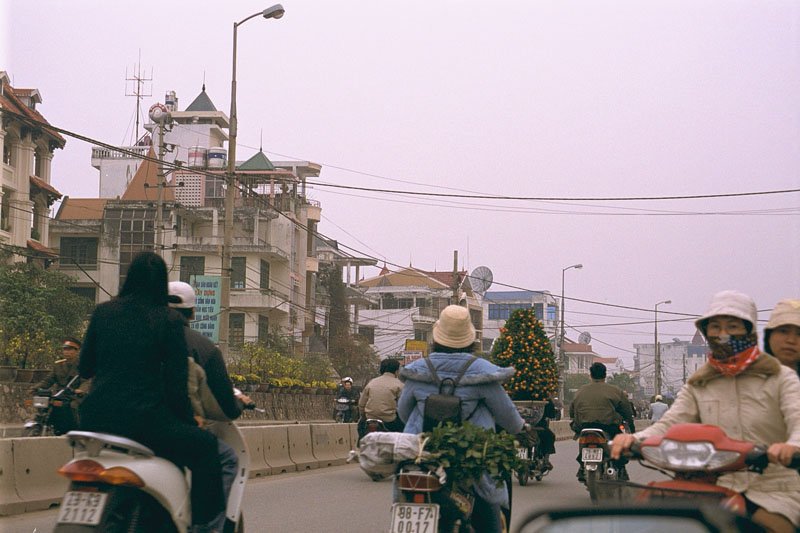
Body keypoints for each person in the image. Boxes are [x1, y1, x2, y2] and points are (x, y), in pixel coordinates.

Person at [611, 290, 800, 533]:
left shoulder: (780, 377)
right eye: (715, 328)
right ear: (706, 332)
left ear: (749, 332)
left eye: (732, 326)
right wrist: (632, 439)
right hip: (714, 486)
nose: (723, 335)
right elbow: (669, 424)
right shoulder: (700, 382)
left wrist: (791, 447)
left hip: (773, 490)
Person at [77, 252, 223, 531]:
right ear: (161, 284)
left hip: (94, 421)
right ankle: (203, 526)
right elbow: (176, 384)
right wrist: (188, 421)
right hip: (143, 423)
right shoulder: (168, 321)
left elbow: (85, 368)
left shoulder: (103, 313)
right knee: (206, 449)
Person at [397, 304, 526, 533]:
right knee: (489, 505)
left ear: (437, 338)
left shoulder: (418, 370)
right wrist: (523, 430)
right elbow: (508, 417)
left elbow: (403, 411)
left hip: (422, 454)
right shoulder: (484, 373)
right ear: (469, 340)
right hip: (472, 459)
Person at [169, 281, 253, 533]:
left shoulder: (135, 339)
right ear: (192, 312)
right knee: (225, 459)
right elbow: (221, 404)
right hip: (170, 427)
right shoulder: (201, 348)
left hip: (116, 426)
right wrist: (238, 404)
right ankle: (206, 527)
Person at [569, 362, 634, 481]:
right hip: (608, 426)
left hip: (584, 425)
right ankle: (621, 468)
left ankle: (582, 467)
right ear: (605, 375)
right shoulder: (615, 391)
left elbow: (572, 412)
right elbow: (627, 412)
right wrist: (631, 428)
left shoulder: (580, 391)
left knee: (581, 438)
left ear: (591, 375)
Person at [30, 336, 90, 431]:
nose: (66, 352)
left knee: (73, 406)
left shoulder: (82, 366)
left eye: (69, 349)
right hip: (59, 395)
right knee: (45, 405)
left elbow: (86, 380)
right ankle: (43, 423)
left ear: (77, 351)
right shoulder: (58, 365)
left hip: (74, 396)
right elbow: (48, 380)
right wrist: (35, 388)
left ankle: (79, 430)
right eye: (65, 349)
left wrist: (81, 390)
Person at [358, 358, 405, 438]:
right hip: (389, 420)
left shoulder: (372, 382)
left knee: (360, 428)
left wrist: (363, 416)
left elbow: (361, 404)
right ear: (396, 371)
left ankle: (361, 445)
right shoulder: (399, 385)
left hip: (370, 419)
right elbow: (404, 406)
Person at [764, 299, 800, 377]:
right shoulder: (746, 379)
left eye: (799, 334)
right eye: (783, 331)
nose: (791, 340)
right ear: (769, 336)